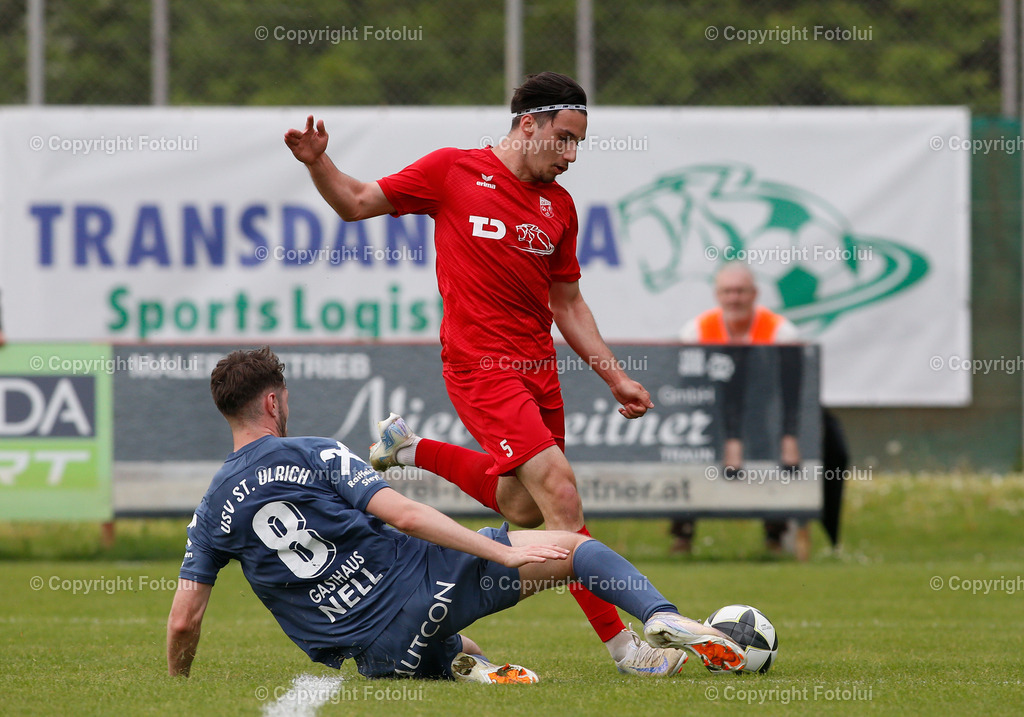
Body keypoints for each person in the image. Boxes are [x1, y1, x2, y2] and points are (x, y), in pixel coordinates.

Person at [284, 72, 680, 676]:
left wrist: (614, 376)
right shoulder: (452, 172)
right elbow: (357, 202)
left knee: (523, 509)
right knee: (563, 498)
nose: (571, 156)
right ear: (530, 125)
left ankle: (409, 448)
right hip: (480, 366)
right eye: (564, 140)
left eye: (580, 144)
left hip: (537, 371)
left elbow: (568, 303)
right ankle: (626, 648)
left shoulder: (560, 207)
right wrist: (319, 164)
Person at [165, 347, 747, 682]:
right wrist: (502, 550)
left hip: (375, 653)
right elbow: (407, 516)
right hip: (423, 583)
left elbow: (183, 623)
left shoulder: (211, 507)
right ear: (272, 401)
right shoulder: (314, 452)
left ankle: (463, 664)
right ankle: (660, 617)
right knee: (570, 547)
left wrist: (179, 686)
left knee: (446, 640)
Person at [673, 262, 847, 554]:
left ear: (755, 293)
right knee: (684, 445)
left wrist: (789, 435)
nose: (734, 298)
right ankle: (683, 534)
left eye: (741, 291)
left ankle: (777, 534)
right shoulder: (697, 330)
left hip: (769, 415)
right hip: (712, 419)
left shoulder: (780, 331)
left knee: (828, 442)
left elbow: (794, 391)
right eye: (728, 292)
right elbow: (690, 390)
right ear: (718, 295)